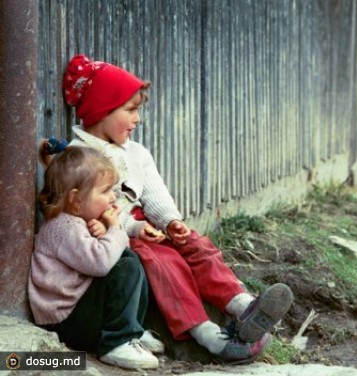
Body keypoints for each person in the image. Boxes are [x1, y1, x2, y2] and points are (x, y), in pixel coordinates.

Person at [61, 54, 294, 363]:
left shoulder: (137, 153)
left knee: (196, 244)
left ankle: (242, 305)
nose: (137, 119)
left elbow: (155, 193)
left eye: (137, 111)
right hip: (117, 235)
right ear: (102, 109)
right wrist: (133, 228)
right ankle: (207, 334)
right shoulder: (79, 156)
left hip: (148, 225)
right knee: (164, 262)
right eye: (130, 110)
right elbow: (92, 213)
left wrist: (171, 221)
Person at [29, 145, 165, 370]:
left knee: (129, 258)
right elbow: (101, 264)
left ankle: (131, 330)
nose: (112, 198)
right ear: (76, 199)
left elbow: (100, 256)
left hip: (74, 311)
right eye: (104, 191)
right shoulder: (63, 228)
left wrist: (105, 232)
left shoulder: (76, 221)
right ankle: (116, 342)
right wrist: (114, 229)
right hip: (65, 322)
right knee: (126, 266)